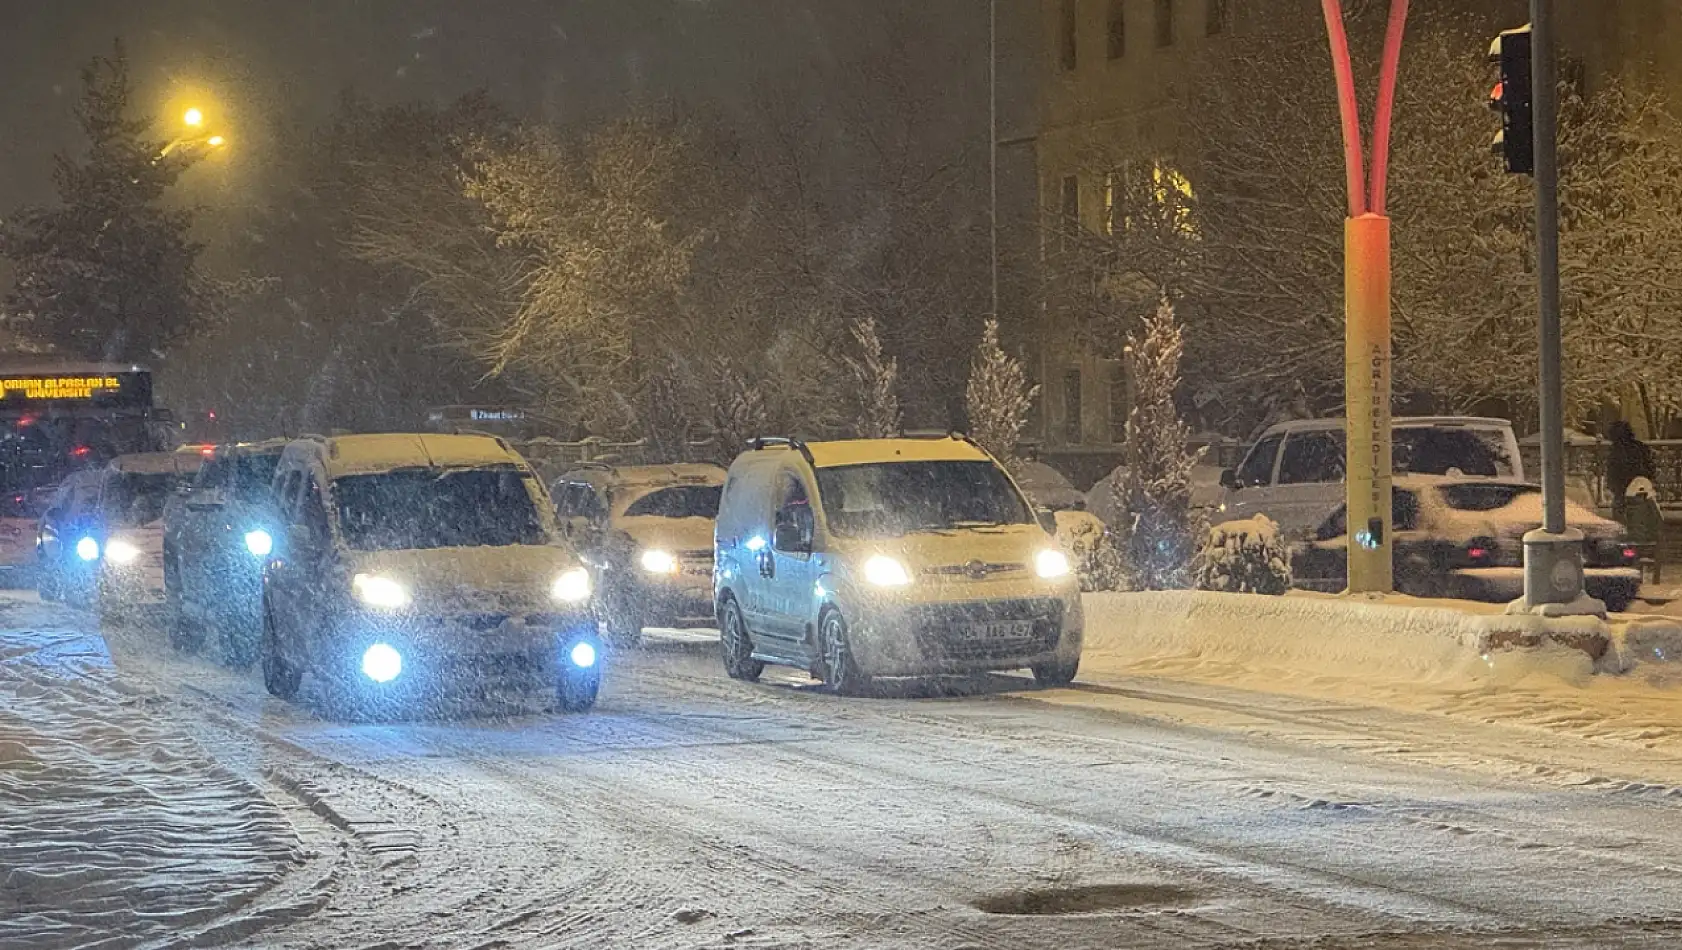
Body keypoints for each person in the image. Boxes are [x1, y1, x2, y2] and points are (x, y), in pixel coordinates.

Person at [1605, 420, 1656, 521]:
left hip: (1622, 488)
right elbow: (1650, 466)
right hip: (1640, 487)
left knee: (1621, 517)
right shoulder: (1640, 447)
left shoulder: (1615, 450)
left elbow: (1612, 471)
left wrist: (1613, 485)